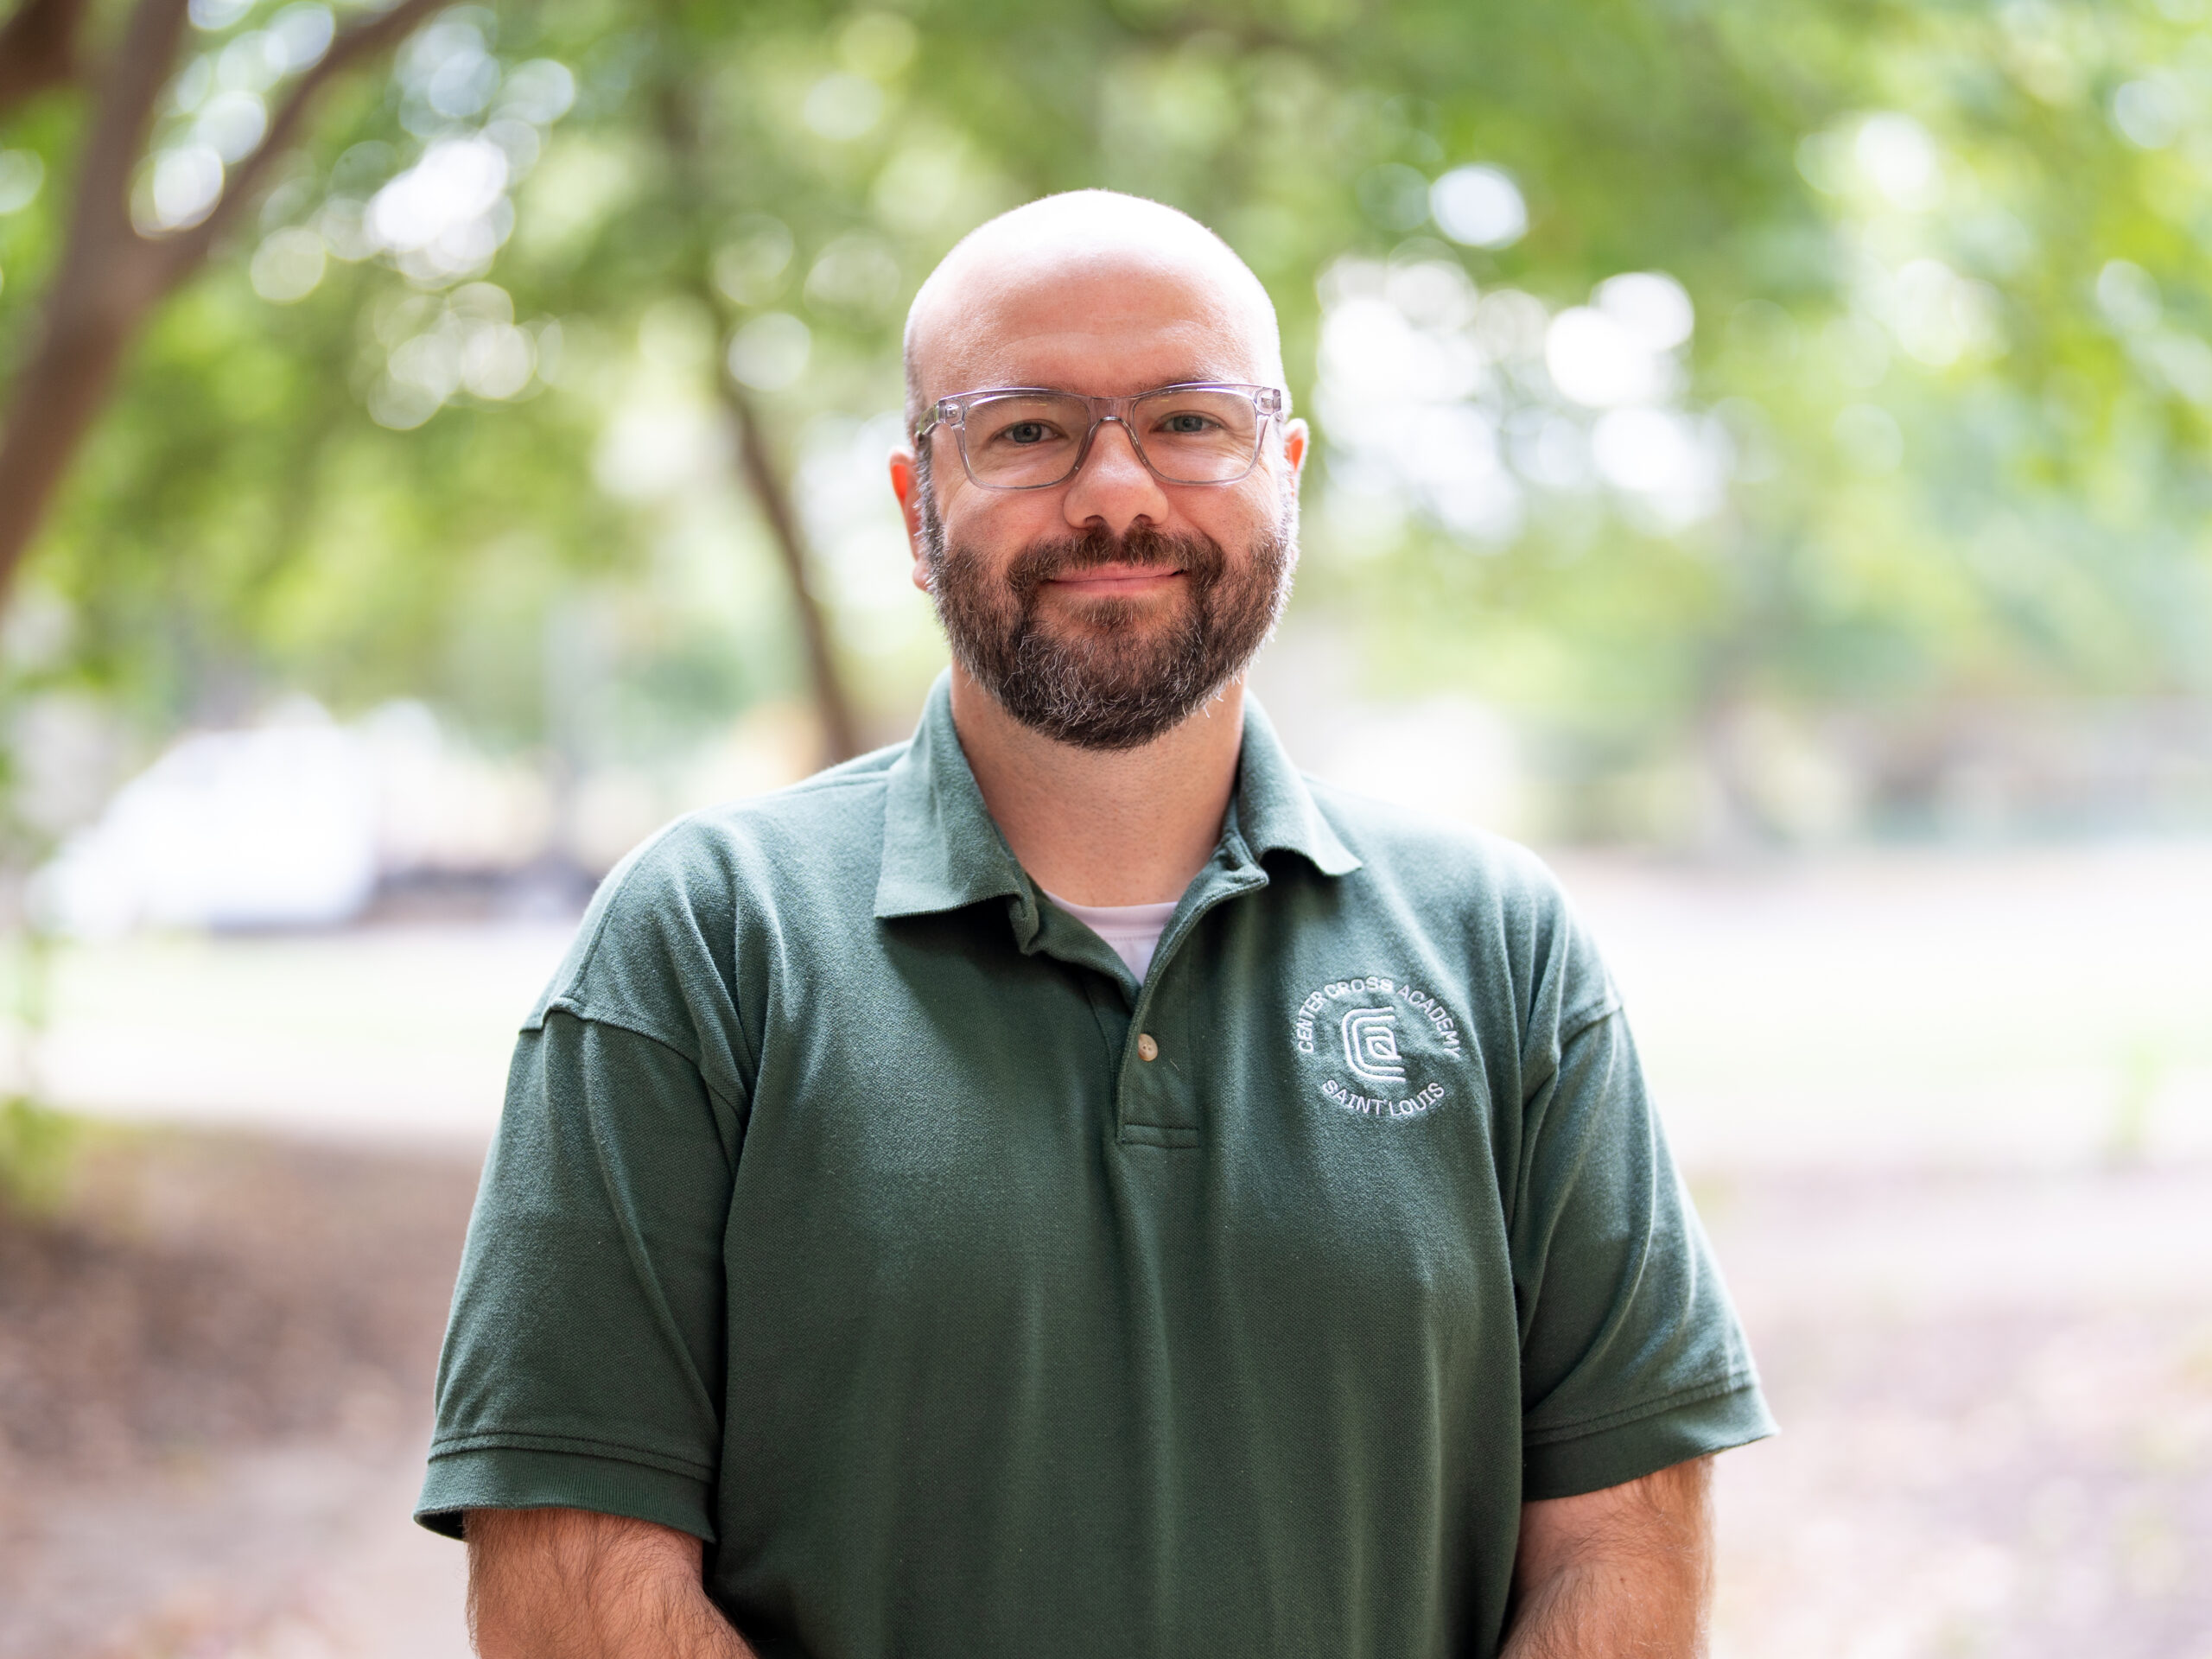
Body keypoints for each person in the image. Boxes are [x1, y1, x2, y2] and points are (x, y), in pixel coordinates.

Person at [418, 189, 1775, 1658]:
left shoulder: (1501, 948)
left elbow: (1627, 1540)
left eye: (1190, 421)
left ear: (1287, 473)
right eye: (1025, 427)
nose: (1116, 494)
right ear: (914, 501)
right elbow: (567, 1585)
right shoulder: (700, 948)